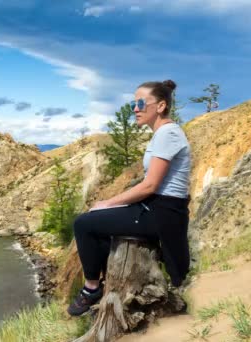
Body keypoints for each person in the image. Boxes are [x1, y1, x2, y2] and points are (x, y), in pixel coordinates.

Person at [67, 80, 192, 316]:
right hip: (158, 207)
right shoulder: (164, 133)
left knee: (83, 224)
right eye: (134, 103)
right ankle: (108, 282)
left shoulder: (168, 134)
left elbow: (150, 185)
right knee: (98, 221)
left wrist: (108, 202)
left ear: (161, 105)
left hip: (163, 213)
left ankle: (92, 287)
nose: (135, 108)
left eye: (141, 103)